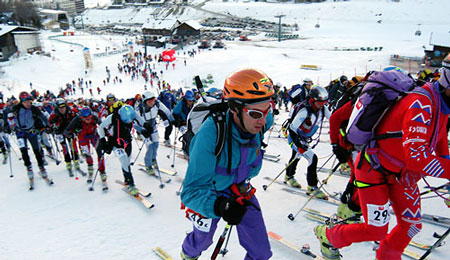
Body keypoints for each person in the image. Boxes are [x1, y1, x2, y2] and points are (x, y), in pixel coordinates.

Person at [314, 63, 450, 260]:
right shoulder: (422, 103)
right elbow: (417, 160)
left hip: (400, 174)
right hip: (373, 168)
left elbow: (439, 138)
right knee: (377, 230)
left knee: (411, 226)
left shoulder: (441, 104)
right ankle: (328, 236)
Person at [180, 68, 274, 260]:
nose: (263, 120)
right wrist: (219, 206)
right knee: (202, 241)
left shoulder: (262, 121)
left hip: (241, 190)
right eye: (256, 114)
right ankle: (188, 254)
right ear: (234, 108)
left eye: (268, 110)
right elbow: (190, 191)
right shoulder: (210, 134)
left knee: (261, 252)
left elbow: (264, 118)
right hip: (211, 193)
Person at [284, 86, 330, 199]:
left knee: (296, 156)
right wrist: (298, 145)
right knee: (312, 158)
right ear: (313, 100)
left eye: (324, 102)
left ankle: (289, 176)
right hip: (294, 138)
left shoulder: (323, 109)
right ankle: (312, 186)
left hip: (304, 139)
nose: (322, 104)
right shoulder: (305, 111)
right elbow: (292, 128)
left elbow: (333, 119)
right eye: (320, 102)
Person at [97, 104, 145, 195]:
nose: (128, 122)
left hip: (127, 141)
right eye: (126, 120)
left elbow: (141, 121)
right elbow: (101, 126)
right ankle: (131, 183)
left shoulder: (132, 113)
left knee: (127, 161)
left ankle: (126, 178)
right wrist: (103, 139)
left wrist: (146, 127)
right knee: (123, 159)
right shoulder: (113, 117)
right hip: (115, 143)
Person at [11, 92, 51, 187]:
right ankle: (28, 167)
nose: (28, 104)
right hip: (20, 132)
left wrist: (48, 125)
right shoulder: (16, 108)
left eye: (29, 101)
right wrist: (7, 125)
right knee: (23, 151)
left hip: (31, 131)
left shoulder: (34, 109)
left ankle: (41, 167)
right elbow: (7, 116)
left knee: (36, 149)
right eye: (26, 102)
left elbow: (42, 116)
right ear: (22, 102)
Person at [135, 90, 173, 175]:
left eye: (153, 100)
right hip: (144, 129)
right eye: (149, 101)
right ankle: (148, 165)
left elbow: (167, 111)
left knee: (156, 144)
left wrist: (172, 120)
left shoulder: (157, 104)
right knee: (150, 146)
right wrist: (142, 131)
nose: (152, 102)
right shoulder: (139, 109)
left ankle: (153, 159)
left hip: (153, 127)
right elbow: (134, 122)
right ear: (145, 101)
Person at [64, 107, 105, 183]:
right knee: (87, 154)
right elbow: (67, 130)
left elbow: (102, 125)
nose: (87, 121)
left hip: (94, 135)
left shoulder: (94, 117)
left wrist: (107, 132)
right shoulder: (77, 119)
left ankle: (102, 171)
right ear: (81, 117)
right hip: (83, 137)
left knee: (100, 153)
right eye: (84, 119)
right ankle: (90, 167)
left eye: (89, 118)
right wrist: (70, 134)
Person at [49, 98, 80, 177]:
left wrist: (76, 128)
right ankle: (68, 162)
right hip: (60, 132)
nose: (62, 109)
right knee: (65, 147)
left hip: (69, 131)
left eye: (63, 107)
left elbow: (77, 119)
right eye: (60, 108)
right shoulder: (54, 114)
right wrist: (52, 128)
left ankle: (76, 160)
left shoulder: (71, 111)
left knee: (73, 146)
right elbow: (49, 123)